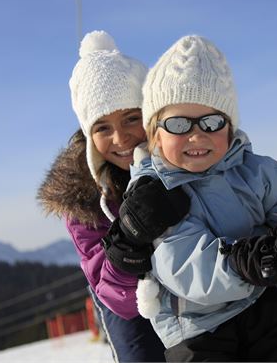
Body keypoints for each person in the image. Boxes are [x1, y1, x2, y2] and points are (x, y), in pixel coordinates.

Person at [111, 35, 277, 362]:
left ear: (230, 127)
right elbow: (188, 270)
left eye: (212, 121)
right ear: (155, 134)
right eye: (178, 123)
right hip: (196, 328)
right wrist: (263, 260)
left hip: (262, 305)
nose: (196, 134)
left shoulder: (257, 172)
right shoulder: (152, 194)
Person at [37, 30, 189, 362]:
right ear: (88, 135)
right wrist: (129, 242)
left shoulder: (183, 158)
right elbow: (115, 297)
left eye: (131, 119)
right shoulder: (85, 200)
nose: (120, 138)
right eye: (102, 127)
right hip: (127, 303)